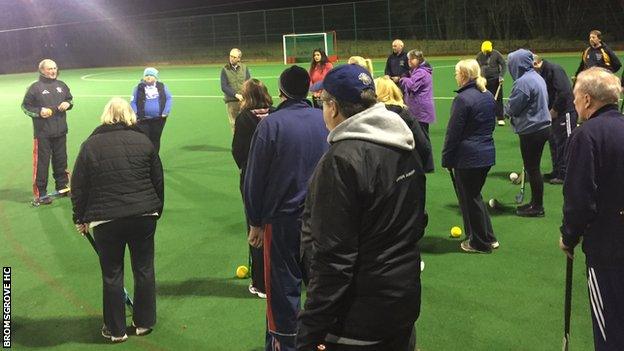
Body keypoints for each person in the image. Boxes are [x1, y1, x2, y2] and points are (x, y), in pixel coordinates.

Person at [297, 64, 426, 351]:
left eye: (323, 102)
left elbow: (333, 259)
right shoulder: (404, 143)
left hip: (359, 319)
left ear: (333, 107)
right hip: (402, 303)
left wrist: (310, 331)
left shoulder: (341, 161)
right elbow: (417, 221)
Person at [244, 66, 328, 351]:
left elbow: (254, 179)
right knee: (321, 287)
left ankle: (285, 345)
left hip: (282, 222)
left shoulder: (270, 125)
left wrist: (255, 221)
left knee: (282, 291)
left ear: (280, 92)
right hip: (321, 221)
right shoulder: (325, 120)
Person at [71, 97, 164, 343]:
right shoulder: (144, 140)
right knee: (144, 269)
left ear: (106, 115)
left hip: (106, 221)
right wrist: (157, 209)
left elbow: (78, 185)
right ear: (129, 115)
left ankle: (116, 329)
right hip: (143, 216)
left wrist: (79, 218)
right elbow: (158, 179)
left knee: (112, 274)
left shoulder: (90, 145)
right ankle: (144, 323)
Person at [559, 67, 624, 350]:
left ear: (587, 100)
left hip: (608, 247)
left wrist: (569, 236)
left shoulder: (586, 136)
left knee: (609, 325)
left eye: (575, 98)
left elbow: (579, 199)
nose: (573, 104)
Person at [442, 59, 498, 253]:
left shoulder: (463, 99)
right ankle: (488, 237)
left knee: (469, 198)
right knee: (474, 196)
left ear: (464, 76)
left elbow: (453, 133)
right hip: (485, 153)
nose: (455, 77)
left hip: (468, 157)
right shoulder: (488, 94)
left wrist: (446, 158)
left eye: (457, 73)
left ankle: (480, 243)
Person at [231, 78, 275, 299]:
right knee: (276, 228)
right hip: (278, 179)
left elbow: (238, 152)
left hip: (252, 181)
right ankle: (278, 278)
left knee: (255, 227)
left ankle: (260, 283)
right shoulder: (276, 113)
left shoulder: (244, 118)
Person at [504, 49, 551, 217]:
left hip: (532, 129)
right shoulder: (536, 76)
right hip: (541, 127)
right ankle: (534, 203)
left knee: (533, 169)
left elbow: (514, 106)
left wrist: (504, 111)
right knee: (533, 168)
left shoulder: (523, 82)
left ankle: (537, 206)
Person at [21, 59, 73, 206]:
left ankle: (62, 187)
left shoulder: (62, 85)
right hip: (42, 134)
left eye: (55, 68)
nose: (53, 71)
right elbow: (25, 107)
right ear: (42, 70)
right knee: (42, 164)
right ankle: (41, 193)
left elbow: (70, 99)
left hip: (61, 131)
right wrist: (39, 112)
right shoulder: (34, 88)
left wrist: (68, 104)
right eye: (50, 69)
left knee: (61, 161)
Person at [374, 75, 434, 173]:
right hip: (406, 170)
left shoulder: (373, 115)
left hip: (381, 170)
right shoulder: (405, 114)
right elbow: (423, 145)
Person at [533, 55, 577, 184]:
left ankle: (565, 174)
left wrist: (555, 110)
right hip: (552, 112)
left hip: (565, 112)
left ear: (536, 63)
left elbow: (564, 92)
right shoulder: (540, 73)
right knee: (554, 141)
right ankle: (557, 170)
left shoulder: (554, 69)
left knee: (565, 142)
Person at [130, 67, 173, 155]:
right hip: (142, 120)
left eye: (151, 75)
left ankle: (154, 157)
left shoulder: (162, 86)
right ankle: (145, 157)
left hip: (158, 120)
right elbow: (133, 101)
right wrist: (135, 112)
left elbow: (169, 98)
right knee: (144, 139)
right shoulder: (138, 88)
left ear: (155, 77)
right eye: (147, 75)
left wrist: (166, 111)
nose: (148, 77)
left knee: (155, 139)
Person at [400, 49, 436, 134]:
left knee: (422, 137)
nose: (409, 61)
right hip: (419, 109)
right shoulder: (418, 70)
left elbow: (412, 85)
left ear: (418, 59)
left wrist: (403, 79)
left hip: (420, 110)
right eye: (408, 59)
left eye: (412, 59)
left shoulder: (421, 72)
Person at [476, 40, 506, 126]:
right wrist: (478, 77)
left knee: (498, 99)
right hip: (484, 81)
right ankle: (485, 117)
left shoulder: (496, 54)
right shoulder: (479, 56)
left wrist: (501, 76)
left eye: (488, 51)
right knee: (483, 99)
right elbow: (476, 67)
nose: (486, 53)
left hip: (496, 80)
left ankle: (500, 118)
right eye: (485, 51)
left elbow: (503, 65)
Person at [220, 48, 251, 133]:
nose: (231, 58)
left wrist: (246, 96)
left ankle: (245, 145)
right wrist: (236, 95)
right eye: (230, 56)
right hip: (231, 102)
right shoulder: (224, 69)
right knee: (234, 124)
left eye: (234, 57)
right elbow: (224, 86)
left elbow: (248, 83)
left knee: (246, 124)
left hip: (244, 101)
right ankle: (236, 146)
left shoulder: (245, 68)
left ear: (239, 58)